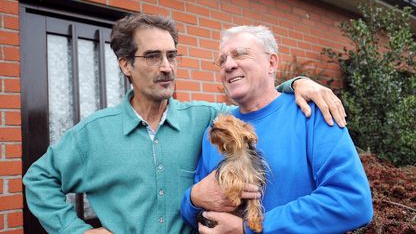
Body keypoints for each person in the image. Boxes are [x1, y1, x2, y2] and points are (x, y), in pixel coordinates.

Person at [23, 14, 347, 234]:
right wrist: (74, 231)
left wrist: (298, 84)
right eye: (152, 57)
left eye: (171, 55)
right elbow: (38, 180)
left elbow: (258, 100)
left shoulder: (205, 118)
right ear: (125, 65)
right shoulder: (94, 133)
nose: (166, 67)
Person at [180, 25, 373, 233]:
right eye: (222, 60)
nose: (228, 65)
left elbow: (352, 201)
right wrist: (192, 200)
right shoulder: (216, 131)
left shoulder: (312, 113)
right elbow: (195, 210)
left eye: (240, 54)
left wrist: (251, 229)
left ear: (271, 62)